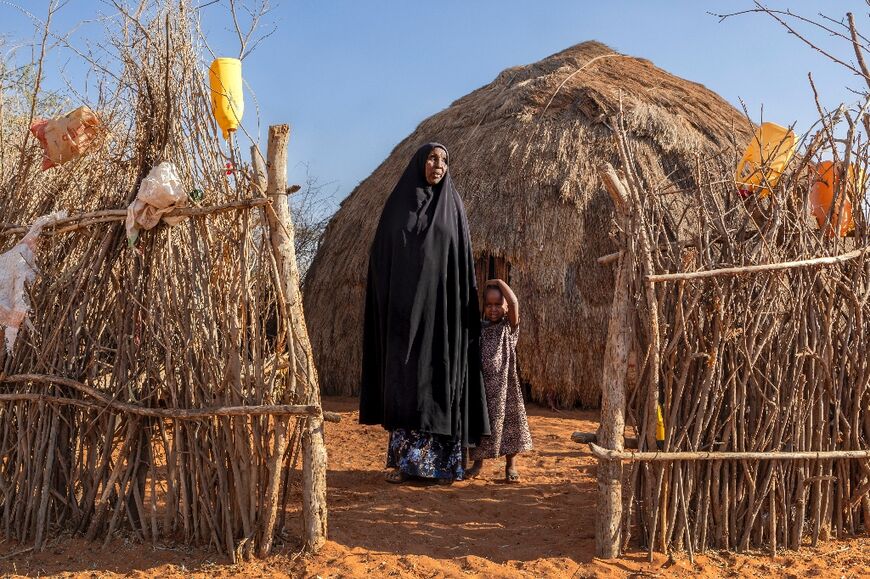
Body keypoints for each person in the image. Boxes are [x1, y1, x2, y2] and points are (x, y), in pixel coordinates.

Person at [359, 143, 489, 484]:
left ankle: (444, 466)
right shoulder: (397, 209)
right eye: (432, 158)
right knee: (408, 384)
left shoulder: (453, 208)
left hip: (444, 319)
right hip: (404, 318)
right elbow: (381, 260)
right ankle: (405, 465)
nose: (439, 165)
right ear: (420, 163)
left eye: (445, 160)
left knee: (440, 381)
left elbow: (462, 266)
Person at [466, 279, 532, 483]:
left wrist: (498, 281)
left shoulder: (509, 327)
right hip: (483, 386)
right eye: (489, 305)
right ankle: (477, 464)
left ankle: (511, 464)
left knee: (509, 425)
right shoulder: (478, 327)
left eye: (498, 305)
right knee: (481, 425)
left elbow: (514, 303)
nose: (493, 309)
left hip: (505, 386)